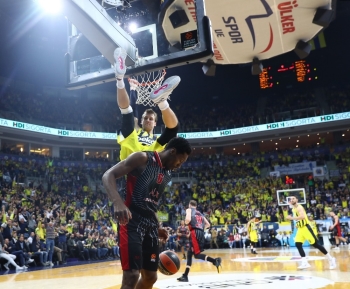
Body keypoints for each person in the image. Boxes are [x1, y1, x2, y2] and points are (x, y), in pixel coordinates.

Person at [102, 137, 192, 289]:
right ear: (173, 151)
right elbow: (108, 175)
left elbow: (150, 201)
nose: (179, 166)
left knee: (151, 277)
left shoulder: (167, 173)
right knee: (132, 275)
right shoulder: (143, 158)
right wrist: (117, 202)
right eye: (180, 161)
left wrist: (156, 226)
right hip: (131, 220)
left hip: (150, 224)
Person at [114, 48, 180, 161]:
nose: (148, 120)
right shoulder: (137, 130)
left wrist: (133, 89)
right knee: (127, 113)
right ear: (141, 121)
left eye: (150, 118)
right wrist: (132, 89)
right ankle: (119, 78)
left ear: (155, 123)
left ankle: (162, 101)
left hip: (152, 152)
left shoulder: (156, 139)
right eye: (145, 118)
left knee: (173, 130)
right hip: (133, 151)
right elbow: (133, 111)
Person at [286, 195, 336, 270]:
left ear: (297, 200)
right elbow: (299, 219)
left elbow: (302, 216)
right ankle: (305, 262)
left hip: (306, 228)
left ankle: (331, 259)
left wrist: (291, 218)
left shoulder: (299, 207)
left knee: (316, 245)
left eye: (293, 198)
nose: (292, 200)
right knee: (298, 244)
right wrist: (297, 224)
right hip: (300, 229)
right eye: (291, 199)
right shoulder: (293, 209)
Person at [177, 200, 222, 282]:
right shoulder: (200, 213)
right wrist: (200, 228)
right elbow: (208, 224)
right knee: (190, 253)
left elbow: (187, 219)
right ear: (196, 206)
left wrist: (187, 224)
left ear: (189, 205)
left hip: (194, 233)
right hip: (200, 233)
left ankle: (215, 260)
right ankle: (185, 275)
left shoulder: (189, 209)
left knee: (197, 255)